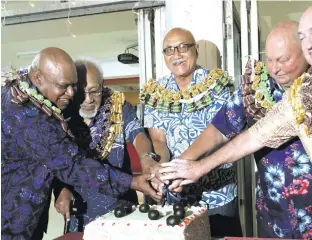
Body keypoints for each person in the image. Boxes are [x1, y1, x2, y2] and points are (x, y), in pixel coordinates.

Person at [159, 3, 312, 239]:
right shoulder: (263, 88)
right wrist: (184, 167)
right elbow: (240, 133)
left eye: (284, 60)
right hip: (275, 218)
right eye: (269, 60)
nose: (275, 69)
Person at [1, 47, 160, 239]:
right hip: (12, 220)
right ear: (38, 78)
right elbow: (72, 165)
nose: (73, 94)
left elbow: (137, 134)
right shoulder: (32, 115)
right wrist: (134, 181)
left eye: (74, 86)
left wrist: (146, 158)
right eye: (64, 86)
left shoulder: (26, 90)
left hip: (116, 209)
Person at [142, 27, 241, 237]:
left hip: (217, 195)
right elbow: (159, 141)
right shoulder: (156, 92)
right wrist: (162, 172)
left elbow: (220, 136)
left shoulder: (218, 86)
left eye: (183, 47)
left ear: (196, 50)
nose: (176, 55)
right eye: (169, 50)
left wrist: (186, 168)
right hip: (177, 195)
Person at [53, 59, 163, 231]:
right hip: (80, 214)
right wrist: (61, 189)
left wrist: (146, 158)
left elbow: (138, 134)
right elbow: (57, 162)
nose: (88, 99)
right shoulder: (62, 115)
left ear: (103, 86)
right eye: (82, 92)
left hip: (121, 211)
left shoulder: (118, 106)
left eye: (94, 91)